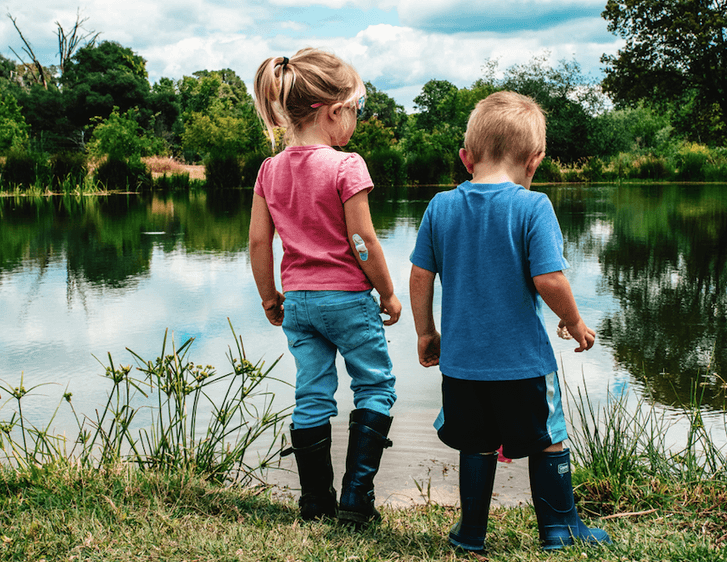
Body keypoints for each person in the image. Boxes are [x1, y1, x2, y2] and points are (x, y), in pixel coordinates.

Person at [409, 91, 612, 552]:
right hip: (523, 364)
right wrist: (575, 322)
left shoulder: (440, 207)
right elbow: (549, 278)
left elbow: (420, 276)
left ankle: (471, 534)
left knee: (476, 444)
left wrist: (426, 332)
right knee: (548, 438)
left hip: (461, 365)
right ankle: (559, 529)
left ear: (466, 158)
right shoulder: (532, 206)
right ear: (535, 160)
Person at [249, 48, 401, 524]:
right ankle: (356, 500)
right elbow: (362, 239)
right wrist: (389, 292)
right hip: (347, 300)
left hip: (298, 302)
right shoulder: (345, 165)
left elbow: (258, 241)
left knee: (312, 394)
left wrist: (269, 296)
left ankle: (315, 502)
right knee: (375, 386)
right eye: (355, 110)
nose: (355, 121)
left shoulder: (270, 169)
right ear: (334, 111)